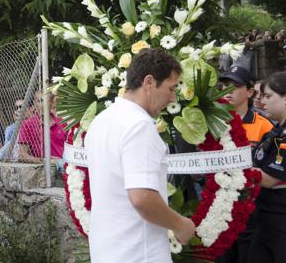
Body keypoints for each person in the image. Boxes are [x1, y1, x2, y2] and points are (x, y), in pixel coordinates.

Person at [84, 49, 195, 263]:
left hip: (106, 251)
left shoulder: (101, 120)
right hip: (138, 253)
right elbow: (142, 197)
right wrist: (180, 225)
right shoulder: (139, 125)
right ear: (149, 82)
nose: (172, 97)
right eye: (170, 88)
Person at [216, 68, 274, 263]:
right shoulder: (212, 124)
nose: (227, 90)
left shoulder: (266, 127)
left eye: (235, 86)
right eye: (224, 85)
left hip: (251, 211)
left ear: (250, 92)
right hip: (218, 209)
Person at [247, 71, 286, 263]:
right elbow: (255, 160)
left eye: (269, 96)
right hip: (265, 219)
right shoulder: (276, 131)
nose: (263, 102)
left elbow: (269, 178)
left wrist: (228, 168)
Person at [18, 93, 66, 161]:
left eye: (47, 100)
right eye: (40, 101)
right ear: (35, 103)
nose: (43, 104)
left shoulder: (63, 122)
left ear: (52, 103)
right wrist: (43, 161)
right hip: (41, 167)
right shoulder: (27, 124)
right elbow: (22, 154)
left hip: (63, 165)